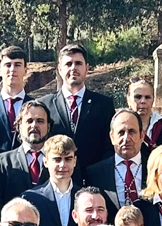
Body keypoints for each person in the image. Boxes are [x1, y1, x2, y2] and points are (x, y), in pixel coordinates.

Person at [40, 43, 115, 171]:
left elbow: (109, 146)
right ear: (59, 69)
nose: (73, 68)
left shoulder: (104, 105)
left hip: (94, 180)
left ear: (87, 68)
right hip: (57, 179)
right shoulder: (45, 105)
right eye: (68, 64)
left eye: (78, 63)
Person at [23, 135, 81, 226]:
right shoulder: (30, 198)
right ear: (45, 162)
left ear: (74, 161)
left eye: (68, 159)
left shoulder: (84, 197)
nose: (63, 165)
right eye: (57, 159)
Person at [83, 109, 148, 217]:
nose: (126, 138)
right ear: (112, 137)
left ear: (142, 135)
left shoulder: (155, 169)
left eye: (132, 131)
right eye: (121, 132)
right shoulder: (95, 174)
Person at [0, 100, 52, 206]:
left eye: (40, 121)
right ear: (19, 126)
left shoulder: (60, 161)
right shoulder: (2, 162)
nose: (34, 125)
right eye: (29, 121)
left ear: (48, 127)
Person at [0, 46, 33, 155]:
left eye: (17, 65)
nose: (12, 69)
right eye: (8, 65)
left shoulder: (36, 107)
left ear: (25, 70)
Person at [127, 77, 162, 150]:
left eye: (147, 97)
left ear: (153, 100)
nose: (143, 101)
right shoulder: (120, 129)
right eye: (138, 97)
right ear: (128, 99)